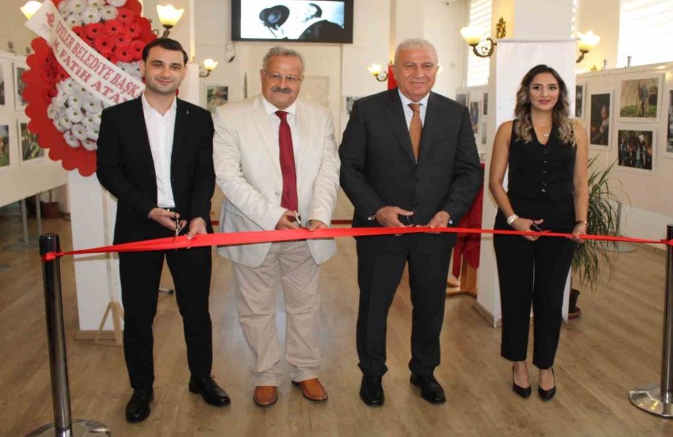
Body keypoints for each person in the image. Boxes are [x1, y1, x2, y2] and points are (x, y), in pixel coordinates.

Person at [340, 38, 482, 407]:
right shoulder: (368, 110)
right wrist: (377, 210)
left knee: (431, 305)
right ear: (394, 70)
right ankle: (372, 374)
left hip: (435, 231)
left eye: (427, 65)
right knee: (374, 305)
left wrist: (448, 212)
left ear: (436, 70)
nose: (419, 73)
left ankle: (424, 371)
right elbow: (350, 168)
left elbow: (469, 172)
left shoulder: (455, 114)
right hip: (380, 230)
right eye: (410, 65)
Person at [96, 38, 230, 423]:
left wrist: (200, 215)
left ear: (184, 71)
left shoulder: (199, 118)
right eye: (158, 64)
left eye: (174, 66)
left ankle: (201, 378)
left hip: (190, 227)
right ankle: (142, 388)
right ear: (142, 68)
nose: (166, 73)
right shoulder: (116, 117)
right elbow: (108, 172)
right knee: (139, 315)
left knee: (196, 311)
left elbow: (205, 172)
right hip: (139, 225)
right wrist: (148, 209)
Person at [213, 46, 339, 408]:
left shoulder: (320, 116)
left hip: (306, 231)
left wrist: (320, 215)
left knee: (305, 306)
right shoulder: (229, 115)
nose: (284, 83)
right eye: (276, 75)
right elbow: (229, 176)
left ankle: (304, 370)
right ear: (262, 75)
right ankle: (265, 375)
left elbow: (328, 170)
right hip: (253, 229)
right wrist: (272, 216)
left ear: (301, 80)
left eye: (291, 77)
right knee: (256, 308)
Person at [488, 64, 588, 402]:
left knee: (550, 297)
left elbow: (580, 184)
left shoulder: (575, 130)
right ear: (526, 92)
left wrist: (581, 222)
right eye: (537, 87)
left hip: (560, 226)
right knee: (515, 295)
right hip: (514, 224)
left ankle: (546, 365)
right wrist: (515, 220)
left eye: (552, 87)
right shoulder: (509, 129)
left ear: (561, 92)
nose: (545, 94)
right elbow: (495, 183)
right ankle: (518, 363)